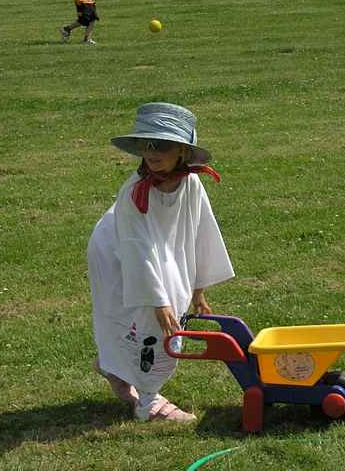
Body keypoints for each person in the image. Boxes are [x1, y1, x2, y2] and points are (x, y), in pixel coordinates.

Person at [87, 103, 235, 422]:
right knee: (147, 315)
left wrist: (198, 288)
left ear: (182, 150)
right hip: (116, 248)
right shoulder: (133, 194)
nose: (152, 153)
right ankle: (148, 402)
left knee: (172, 297)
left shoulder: (191, 184)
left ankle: (113, 364)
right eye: (146, 145)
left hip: (159, 250)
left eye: (162, 145)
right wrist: (158, 300)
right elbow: (137, 250)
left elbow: (200, 231)